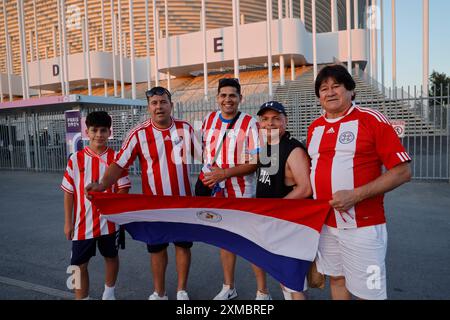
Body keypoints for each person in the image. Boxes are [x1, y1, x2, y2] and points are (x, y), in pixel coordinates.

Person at [307, 65, 412, 300]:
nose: (330, 92)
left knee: (370, 292)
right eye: (324, 88)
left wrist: (355, 195)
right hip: (326, 224)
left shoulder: (371, 119)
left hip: (363, 226)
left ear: (351, 91)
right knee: (337, 279)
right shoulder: (314, 127)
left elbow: (403, 172)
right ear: (319, 97)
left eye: (336, 86)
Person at [86, 86, 196, 300]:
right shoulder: (138, 134)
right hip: (153, 206)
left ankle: (182, 291)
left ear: (171, 105)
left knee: (182, 246)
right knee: (157, 249)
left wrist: (215, 178)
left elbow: (206, 157)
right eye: (154, 103)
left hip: (183, 202)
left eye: (163, 102)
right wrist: (102, 184)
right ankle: (160, 292)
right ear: (148, 108)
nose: (159, 107)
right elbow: (119, 165)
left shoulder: (186, 129)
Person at [198, 78, 260, 300]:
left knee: (251, 240)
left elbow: (254, 163)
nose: (227, 100)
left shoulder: (250, 123)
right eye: (223, 95)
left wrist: (224, 173)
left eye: (232, 95)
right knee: (225, 240)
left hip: (242, 190)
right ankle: (228, 287)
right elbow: (207, 153)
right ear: (217, 98)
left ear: (240, 98)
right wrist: (210, 174)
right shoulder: (208, 119)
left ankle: (262, 292)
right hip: (218, 190)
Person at [61, 111, 131, 300]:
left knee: (111, 257)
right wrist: (68, 222)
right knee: (76, 265)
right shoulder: (75, 159)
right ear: (87, 132)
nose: (98, 134)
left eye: (103, 130)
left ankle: (109, 293)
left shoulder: (117, 160)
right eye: (94, 130)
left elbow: (124, 188)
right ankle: (80, 297)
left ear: (110, 132)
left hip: (109, 222)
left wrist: (113, 208)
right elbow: (68, 193)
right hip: (82, 224)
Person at [255, 101, 312, 300]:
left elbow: (305, 188)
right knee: (285, 279)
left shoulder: (293, 149)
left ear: (285, 122)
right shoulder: (267, 146)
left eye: (276, 119)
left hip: (289, 223)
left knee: (292, 280)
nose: (270, 123)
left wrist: (276, 210)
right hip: (274, 222)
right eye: (265, 119)